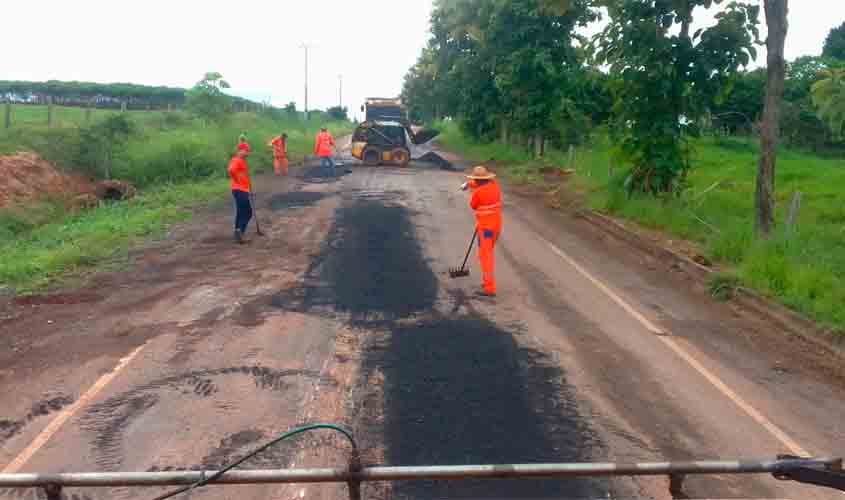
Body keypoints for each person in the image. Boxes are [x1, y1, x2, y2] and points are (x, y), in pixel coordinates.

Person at [461, 165, 502, 296]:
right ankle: (487, 282)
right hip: (496, 226)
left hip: (485, 228)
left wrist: (469, 186)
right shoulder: (495, 185)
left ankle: (489, 288)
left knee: (485, 256)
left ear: (477, 180)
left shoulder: (478, 193)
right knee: (488, 252)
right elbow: (482, 182)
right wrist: (469, 184)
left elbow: (473, 206)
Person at [228, 143, 252, 244]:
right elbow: (231, 170)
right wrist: (237, 179)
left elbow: (244, 175)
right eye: (246, 151)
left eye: (248, 151)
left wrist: (248, 188)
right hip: (240, 190)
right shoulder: (237, 160)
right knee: (247, 212)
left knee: (240, 212)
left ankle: (237, 232)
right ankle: (240, 232)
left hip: (242, 189)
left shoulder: (241, 160)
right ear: (240, 150)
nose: (248, 153)